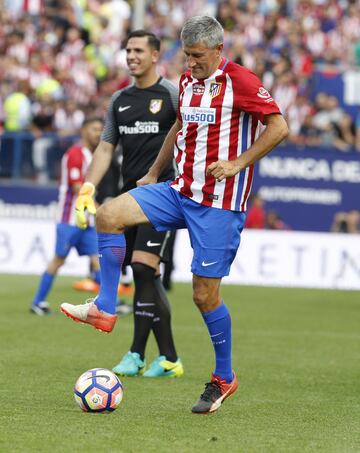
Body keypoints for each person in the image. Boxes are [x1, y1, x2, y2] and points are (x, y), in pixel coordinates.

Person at [61, 16, 288, 413]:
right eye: (187, 56)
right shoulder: (187, 82)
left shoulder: (242, 82)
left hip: (217, 204)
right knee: (109, 215)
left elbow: (279, 126)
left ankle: (223, 378)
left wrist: (237, 163)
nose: (191, 63)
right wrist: (151, 174)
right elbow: (180, 126)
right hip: (178, 190)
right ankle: (105, 307)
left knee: (204, 296)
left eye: (198, 56)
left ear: (219, 49)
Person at [64, 30, 183, 378]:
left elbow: (187, 133)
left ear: (156, 55)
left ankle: (137, 353)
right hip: (128, 200)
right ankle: (166, 357)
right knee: (141, 273)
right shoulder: (120, 100)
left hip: (163, 196)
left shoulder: (172, 95)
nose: (131, 55)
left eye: (138, 50)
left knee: (145, 268)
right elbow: (105, 148)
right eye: (128, 50)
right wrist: (88, 186)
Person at [30, 117, 103, 315]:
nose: (98, 133)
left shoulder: (91, 154)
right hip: (69, 218)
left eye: (100, 129)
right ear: (84, 131)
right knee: (59, 259)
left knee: (97, 259)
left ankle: (107, 303)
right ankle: (38, 302)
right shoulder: (75, 154)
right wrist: (101, 208)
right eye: (94, 129)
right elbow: (78, 187)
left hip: (86, 220)